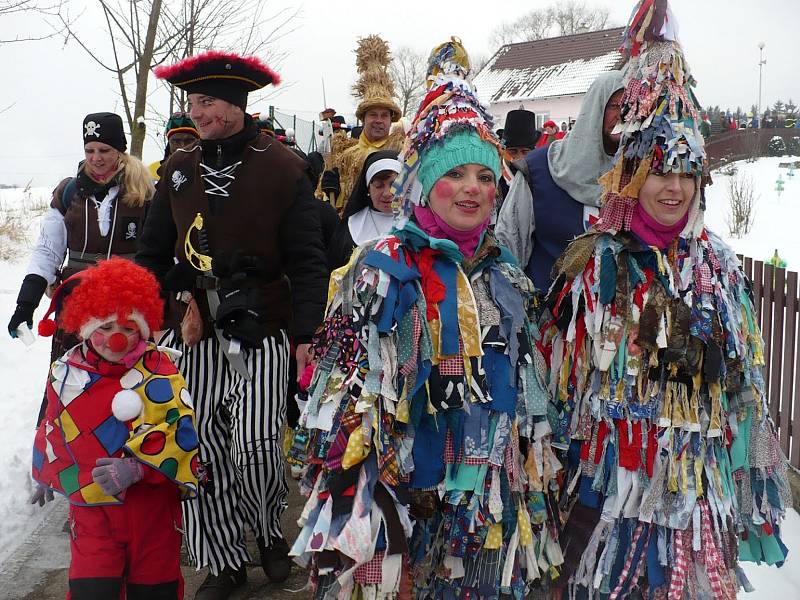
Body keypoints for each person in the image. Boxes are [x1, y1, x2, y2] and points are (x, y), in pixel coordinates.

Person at [291, 43, 560, 599]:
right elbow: (345, 404)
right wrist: (364, 499)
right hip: (404, 494)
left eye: (485, 176)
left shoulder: (505, 274)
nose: (473, 188)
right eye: (455, 172)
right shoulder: (380, 269)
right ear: (424, 181)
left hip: (484, 500)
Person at [543, 2, 791, 596]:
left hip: (696, 501)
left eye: (686, 171)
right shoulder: (592, 263)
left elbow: (738, 386)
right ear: (631, 176)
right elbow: (558, 396)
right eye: (659, 170)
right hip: (609, 498)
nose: (674, 187)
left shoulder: (720, 268)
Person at [138, 50, 328, 599]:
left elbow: (308, 258)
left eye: (208, 102)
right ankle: (222, 559)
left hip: (264, 325)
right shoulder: (175, 171)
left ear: (237, 103)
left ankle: (268, 530)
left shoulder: (282, 167)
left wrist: (306, 333)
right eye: (193, 103)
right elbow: (150, 252)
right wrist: (162, 292)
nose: (197, 112)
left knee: (257, 444)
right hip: (196, 327)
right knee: (205, 447)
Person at [30, 257, 198, 599]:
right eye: (105, 328)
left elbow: (179, 430)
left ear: (142, 328)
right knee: (92, 589)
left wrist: (138, 466)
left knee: (155, 589)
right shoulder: (67, 375)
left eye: (126, 328)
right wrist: (45, 469)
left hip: (150, 511)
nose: (115, 339)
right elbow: (54, 424)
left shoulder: (160, 371)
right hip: (92, 512)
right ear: (86, 328)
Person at [7, 112, 154, 417]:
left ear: (120, 151)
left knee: (128, 391)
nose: (96, 159)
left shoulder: (144, 193)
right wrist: (26, 302)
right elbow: (48, 251)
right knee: (70, 382)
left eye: (105, 150)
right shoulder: (69, 193)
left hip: (127, 311)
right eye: (90, 151)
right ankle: (60, 451)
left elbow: (161, 251)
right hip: (77, 306)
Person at [495, 70, 624, 293]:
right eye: (613, 106)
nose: (622, 115)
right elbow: (510, 247)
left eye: (629, 106)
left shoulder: (643, 174)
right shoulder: (539, 169)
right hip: (549, 315)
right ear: (595, 109)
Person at [318, 35, 404, 214]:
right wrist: (328, 192)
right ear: (363, 119)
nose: (379, 120)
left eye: (384, 115)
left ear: (391, 120)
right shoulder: (344, 156)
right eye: (373, 115)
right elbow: (322, 203)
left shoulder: (403, 153)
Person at [327, 149, 401, 270]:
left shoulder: (418, 223)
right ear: (368, 188)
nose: (387, 193)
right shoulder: (351, 227)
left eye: (394, 185)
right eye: (378, 185)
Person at [499, 109, 538, 199]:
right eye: (513, 151)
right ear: (503, 151)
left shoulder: (540, 179)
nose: (519, 157)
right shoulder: (494, 177)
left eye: (525, 152)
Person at [149, 112, 200, 181]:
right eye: (176, 141)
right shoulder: (152, 171)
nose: (182, 146)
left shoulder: (208, 171)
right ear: (169, 143)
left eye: (189, 141)